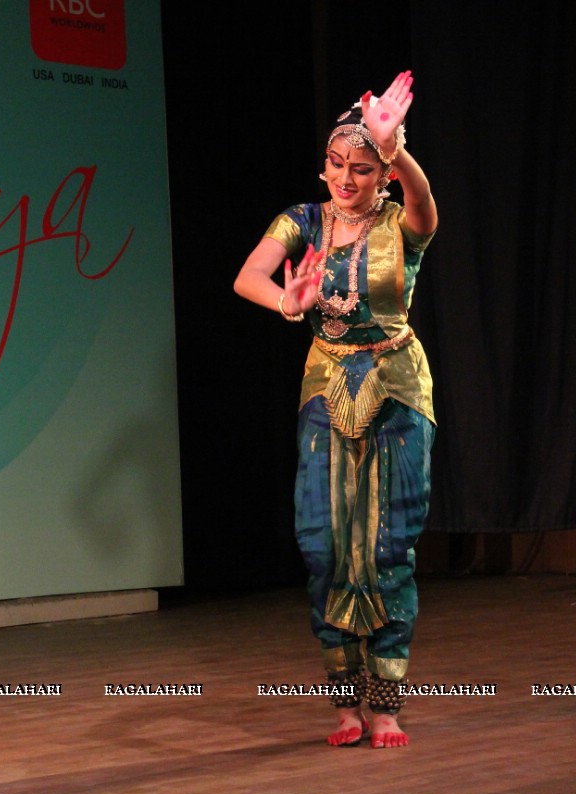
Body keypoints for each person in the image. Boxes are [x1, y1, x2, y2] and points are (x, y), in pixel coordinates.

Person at [234, 70, 437, 749]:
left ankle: (385, 704)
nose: (345, 179)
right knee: (322, 543)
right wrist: (288, 304)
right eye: (336, 166)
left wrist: (396, 148)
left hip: (397, 386)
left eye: (361, 168)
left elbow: (426, 202)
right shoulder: (302, 220)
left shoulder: (399, 221)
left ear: (381, 173)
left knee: (387, 546)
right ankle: (344, 701)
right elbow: (249, 277)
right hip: (326, 384)